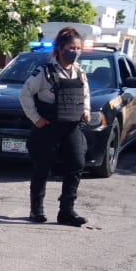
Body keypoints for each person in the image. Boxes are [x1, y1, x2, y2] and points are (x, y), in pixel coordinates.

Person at [19, 26, 91, 227]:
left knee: (77, 164)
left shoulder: (80, 73)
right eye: (70, 47)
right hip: (48, 127)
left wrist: (86, 110)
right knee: (43, 167)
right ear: (59, 48)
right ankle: (37, 210)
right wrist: (36, 119)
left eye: (78, 48)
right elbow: (25, 94)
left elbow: (85, 95)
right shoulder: (44, 72)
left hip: (72, 127)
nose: (74, 52)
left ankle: (67, 211)